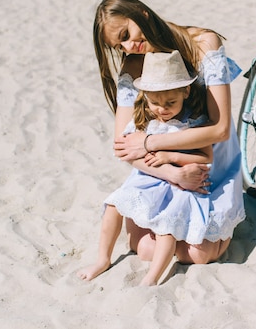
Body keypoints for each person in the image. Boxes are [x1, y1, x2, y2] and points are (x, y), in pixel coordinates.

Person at [89, 0, 245, 270]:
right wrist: (172, 173)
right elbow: (124, 146)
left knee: (199, 254)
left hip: (209, 167)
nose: (129, 46)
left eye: (126, 34)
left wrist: (150, 142)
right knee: (142, 247)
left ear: (141, 12)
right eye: (120, 44)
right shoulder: (134, 63)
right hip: (160, 171)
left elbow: (219, 130)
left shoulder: (202, 43)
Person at [79, 51, 215, 285]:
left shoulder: (192, 124)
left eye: (170, 103)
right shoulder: (143, 121)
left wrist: (168, 155)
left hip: (179, 187)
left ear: (186, 91)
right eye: (155, 103)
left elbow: (205, 158)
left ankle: (152, 277)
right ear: (145, 96)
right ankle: (103, 259)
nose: (162, 109)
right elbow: (125, 151)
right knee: (113, 203)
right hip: (146, 179)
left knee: (167, 225)